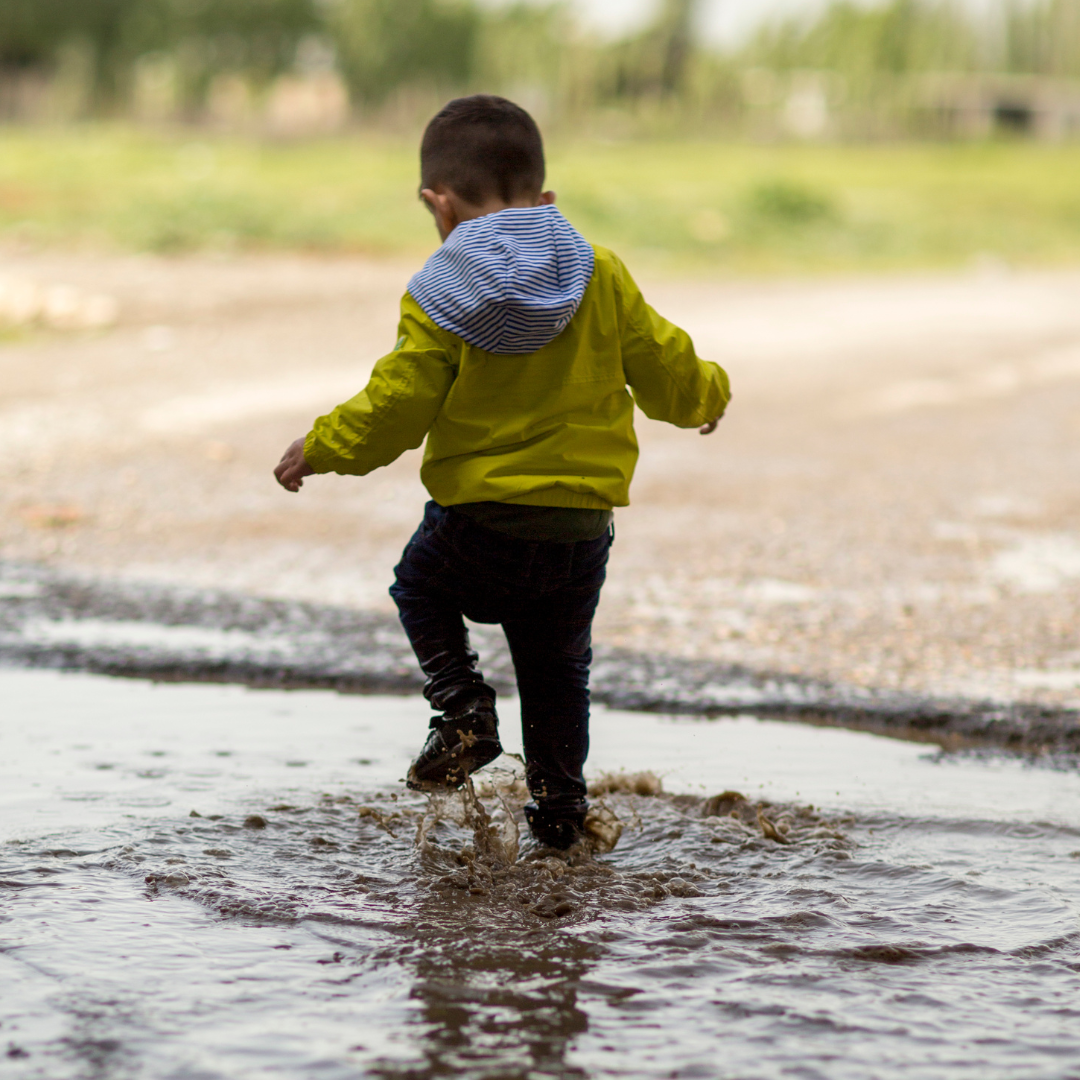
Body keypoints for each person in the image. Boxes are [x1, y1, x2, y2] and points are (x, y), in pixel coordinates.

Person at [274, 94, 730, 849]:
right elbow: (663, 363)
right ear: (543, 200)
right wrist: (708, 395)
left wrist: (322, 446)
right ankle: (559, 823)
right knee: (557, 679)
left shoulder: (443, 290)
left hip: (479, 523)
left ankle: (461, 709)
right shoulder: (600, 271)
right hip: (578, 531)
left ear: (438, 203)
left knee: (418, 583)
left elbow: (399, 403)